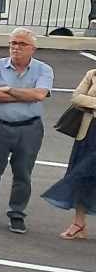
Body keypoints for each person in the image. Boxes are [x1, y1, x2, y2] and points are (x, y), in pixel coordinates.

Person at [0, 28, 53, 233]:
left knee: (23, 173)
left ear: (33, 48)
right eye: (13, 43)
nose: (16, 47)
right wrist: (25, 95)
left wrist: (7, 90)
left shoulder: (44, 70)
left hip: (29, 129)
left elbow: (39, 95)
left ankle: (17, 214)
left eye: (22, 44)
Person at [43, 63, 96, 239]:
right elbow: (76, 98)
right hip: (89, 133)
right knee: (81, 177)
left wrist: (90, 103)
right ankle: (78, 223)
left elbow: (83, 99)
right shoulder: (92, 74)